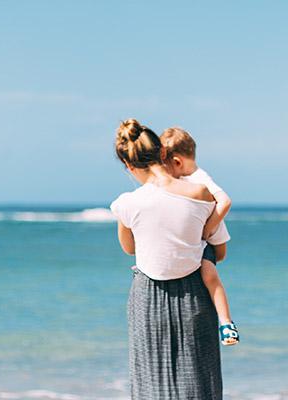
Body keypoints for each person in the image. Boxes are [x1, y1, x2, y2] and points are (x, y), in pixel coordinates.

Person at [110, 118, 227, 399]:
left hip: (147, 297)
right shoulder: (201, 194)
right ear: (163, 153)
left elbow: (130, 249)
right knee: (199, 378)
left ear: (128, 165)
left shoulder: (127, 203)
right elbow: (220, 252)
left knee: (151, 380)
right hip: (194, 292)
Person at [160, 127, 239, 345]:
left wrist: (208, 229)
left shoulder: (199, 178)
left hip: (206, 239)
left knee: (209, 275)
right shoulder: (186, 179)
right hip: (197, 237)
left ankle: (226, 323)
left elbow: (225, 201)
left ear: (176, 162)